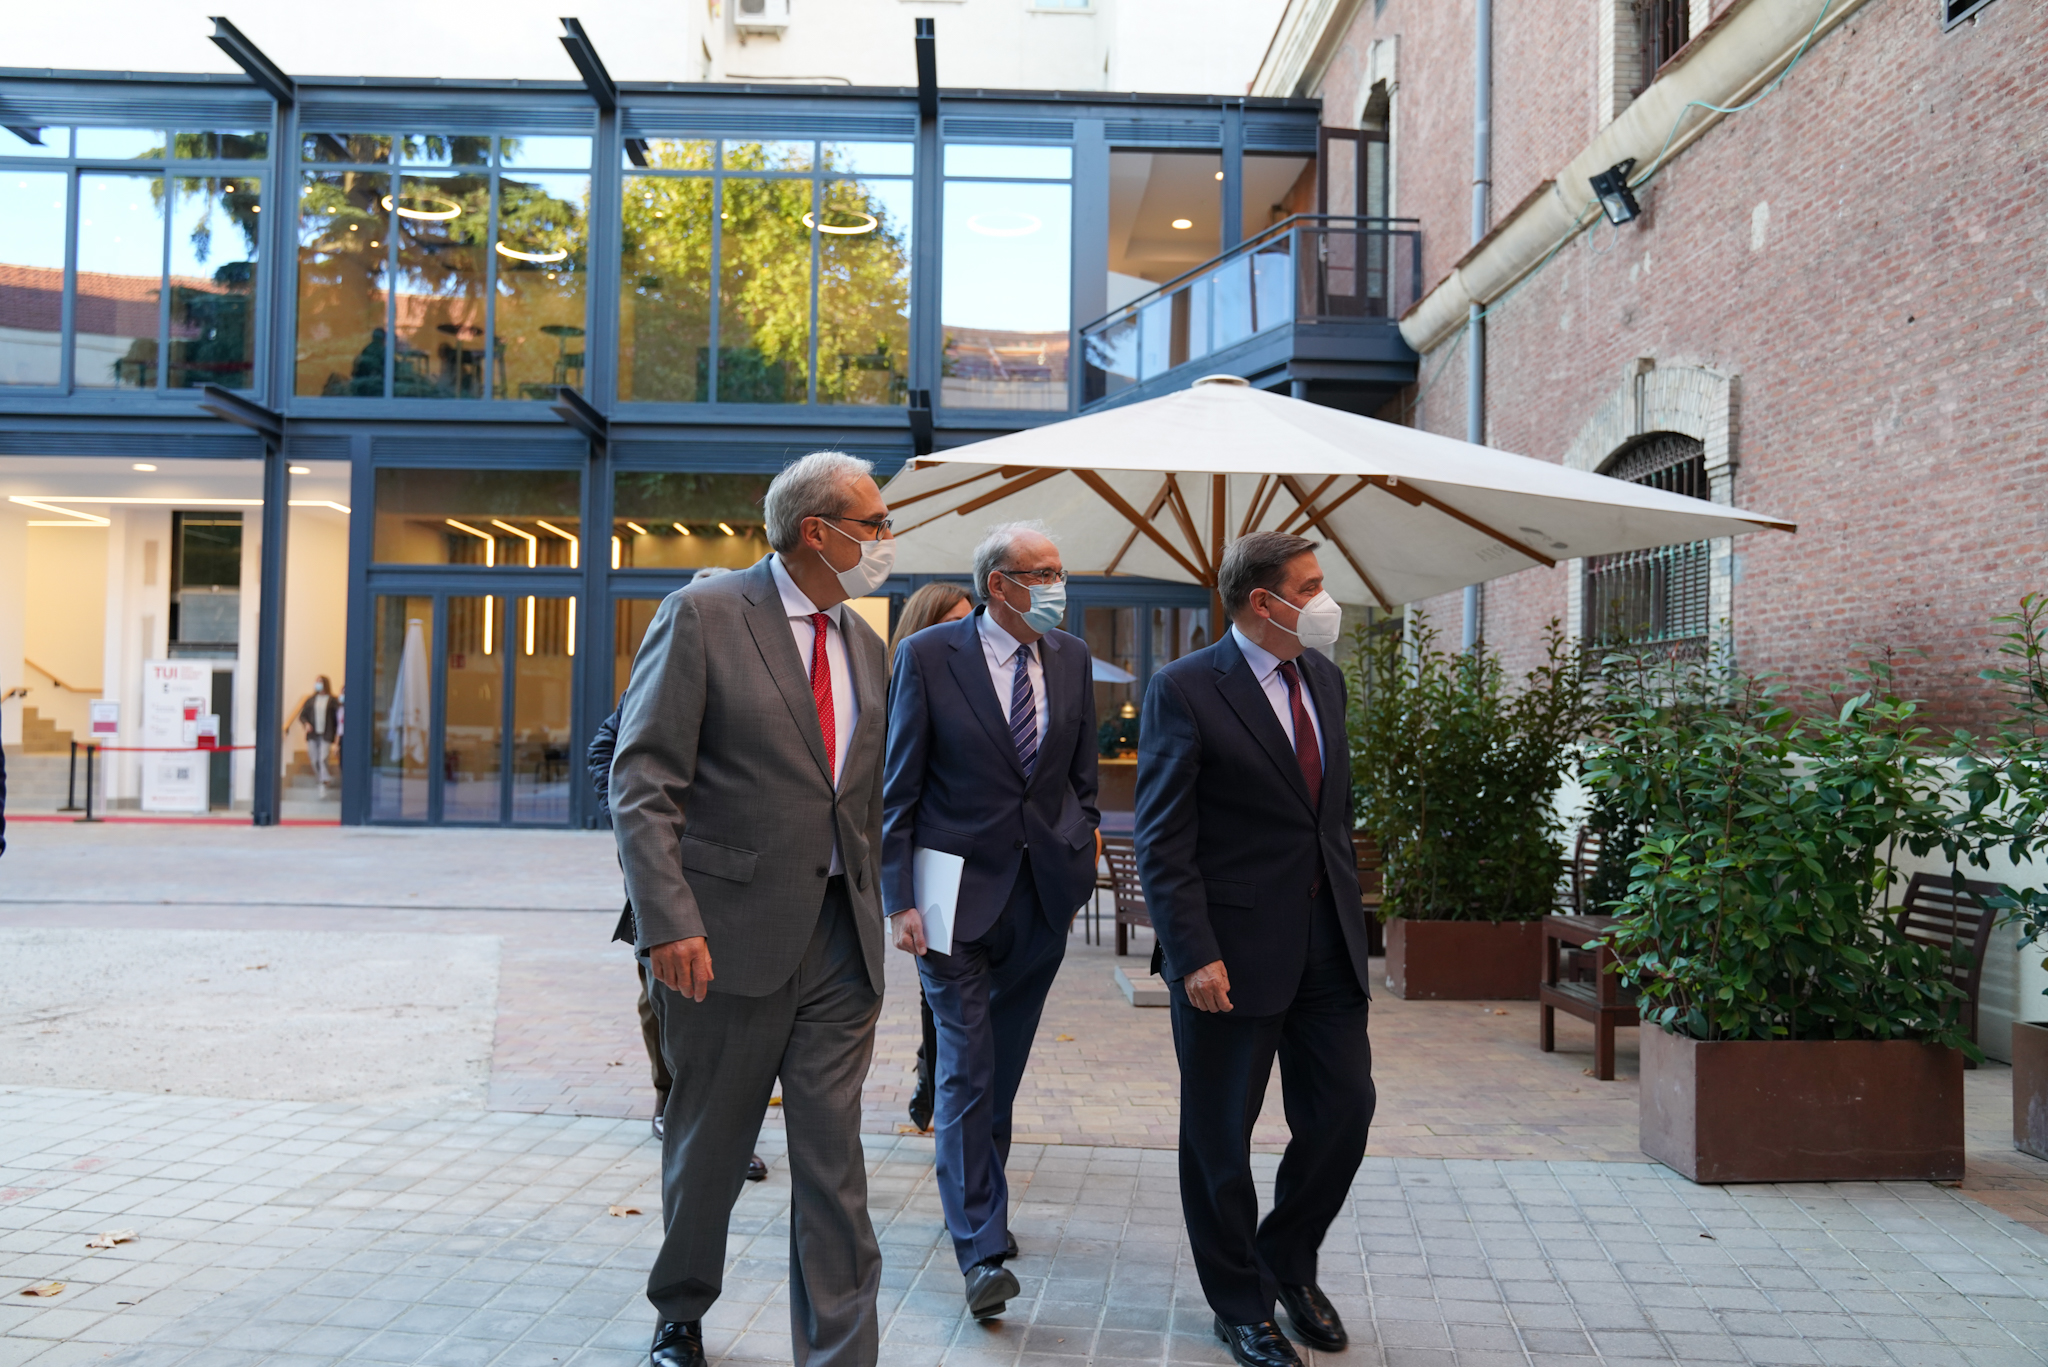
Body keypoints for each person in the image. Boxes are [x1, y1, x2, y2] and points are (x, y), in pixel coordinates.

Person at [611, 451, 894, 1367]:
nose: (886, 539)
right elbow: (643, 779)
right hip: (722, 939)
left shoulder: (867, 646)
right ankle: (681, 1308)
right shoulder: (704, 613)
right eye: (874, 522)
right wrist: (668, 920)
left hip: (840, 943)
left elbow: (860, 801)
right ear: (819, 530)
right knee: (711, 1145)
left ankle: (841, 1352)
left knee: (834, 1162)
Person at [1134, 531, 1376, 1367]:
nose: (1324, 600)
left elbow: (1330, 819)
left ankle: (1286, 1260)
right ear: (1263, 602)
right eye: (1309, 586)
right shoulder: (1185, 688)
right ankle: (1239, 1303)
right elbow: (1163, 837)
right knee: (1219, 1140)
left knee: (1345, 1112)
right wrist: (1192, 950)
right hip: (1227, 957)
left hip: (1328, 946)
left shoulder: (1325, 679)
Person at [882, 522, 1100, 1320]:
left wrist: (1077, 844)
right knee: (967, 1067)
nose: (1056, 584)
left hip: (1042, 896)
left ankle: (979, 1200)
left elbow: (1080, 779)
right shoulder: (928, 656)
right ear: (998, 584)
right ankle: (981, 1248)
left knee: (999, 1072)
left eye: (1060, 569)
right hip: (949, 895)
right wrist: (898, 897)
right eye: (1041, 572)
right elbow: (899, 785)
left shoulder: (1071, 658)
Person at [884, 581, 975, 1133]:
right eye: (950, 623)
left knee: (954, 991)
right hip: (926, 863)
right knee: (938, 985)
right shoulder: (902, 682)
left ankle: (934, 1073)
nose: (964, 632)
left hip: (975, 866)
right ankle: (933, 1076)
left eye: (968, 620)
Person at [293, 676, 339, 791]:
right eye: (317, 682)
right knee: (314, 758)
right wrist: (306, 724)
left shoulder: (332, 700)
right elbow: (302, 716)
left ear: (325, 684)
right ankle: (322, 779)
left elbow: (337, 717)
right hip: (313, 734)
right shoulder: (311, 700)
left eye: (320, 682)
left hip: (326, 733)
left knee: (323, 757)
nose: (318, 684)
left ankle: (324, 780)